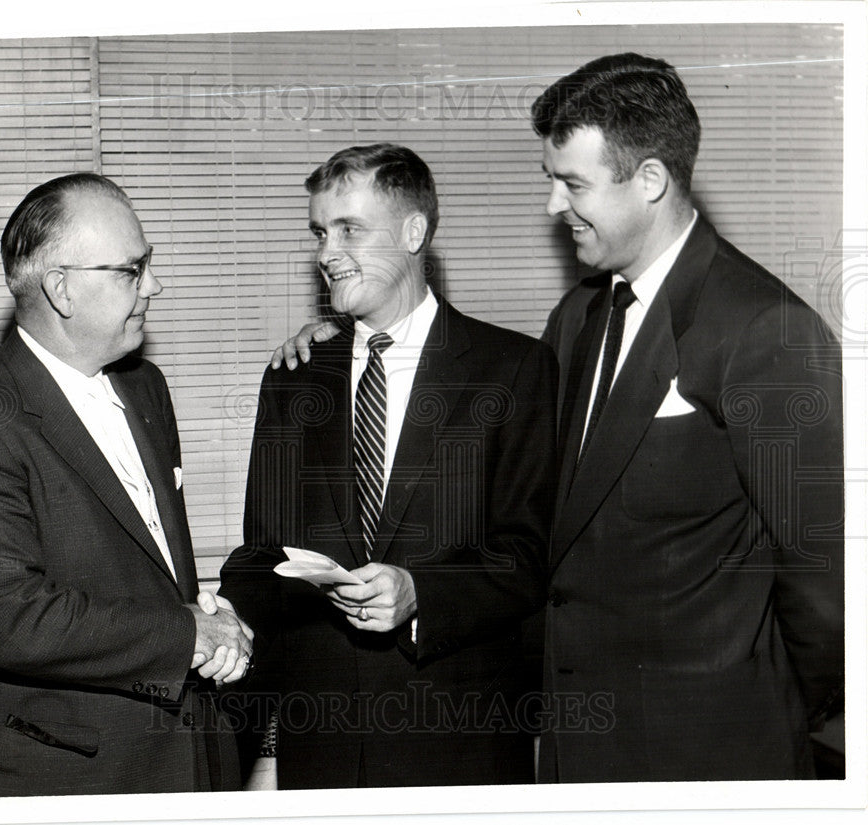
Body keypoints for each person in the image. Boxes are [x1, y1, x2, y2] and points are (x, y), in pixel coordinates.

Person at [272, 55, 845, 783]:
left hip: (708, 751)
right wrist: (341, 339)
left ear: (651, 181)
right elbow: (534, 509)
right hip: (580, 744)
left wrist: (763, 715)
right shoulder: (576, 318)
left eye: (571, 183)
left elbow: (828, 587)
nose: (552, 205)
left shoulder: (766, 329)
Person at [217, 144, 557, 788]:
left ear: (414, 232)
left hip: (462, 742)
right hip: (321, 747)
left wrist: (422, 592)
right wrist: (220, 625)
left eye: (349, 229)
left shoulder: (513, 369)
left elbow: (529, 556)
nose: (325, 253)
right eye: (320, 232)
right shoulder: (294, 377)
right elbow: (261, 552)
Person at [0, 173, 253, 797]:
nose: (154, 284)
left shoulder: (145, 385)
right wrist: (187, 635)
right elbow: (12, 620)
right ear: (61, 289)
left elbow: (142, 562)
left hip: (193, 754)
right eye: (131, 269)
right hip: (72, 776)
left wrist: (206, 614)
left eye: (148, 264)